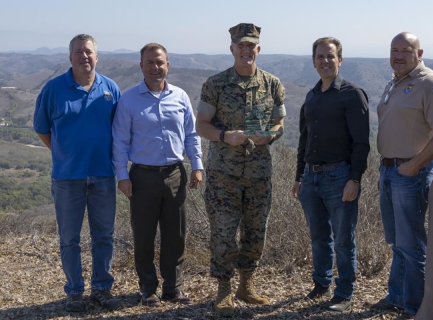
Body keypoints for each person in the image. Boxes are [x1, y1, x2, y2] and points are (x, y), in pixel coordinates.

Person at [195, 23, 286, 316]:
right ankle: (223, 289)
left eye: (251, 46)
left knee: (255, 232)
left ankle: (246, 285)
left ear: (258, 49)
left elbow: (279, 124)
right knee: (223, 233)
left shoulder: (272, 84)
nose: (246, 51)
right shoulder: (215, 84)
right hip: (224, 175)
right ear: (232, 49)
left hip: (259, 174)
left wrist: (270, 136)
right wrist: (224, 136)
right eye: (241, 46)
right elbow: (201, 126)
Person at [371, 32, 433, 319]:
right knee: (398, 242)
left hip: (410, 172)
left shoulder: (429, 83)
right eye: (394, 50)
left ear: (419, 54)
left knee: (412, 244)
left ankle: (417, 307)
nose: (398, 56)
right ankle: (397, 296)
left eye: (405, 50)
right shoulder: (395, 82)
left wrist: (415, 164)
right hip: (389, 170)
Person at [33, 34, 121, 312]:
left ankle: (102, 289)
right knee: (69, 239)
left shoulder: (110, 88)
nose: (85, 56)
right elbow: (42, 129)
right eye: (79, 52)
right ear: (70, 57)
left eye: (89, 52)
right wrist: (64, 153)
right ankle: (74, 292)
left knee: (104, 236)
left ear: (97, 56)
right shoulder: (54, 89)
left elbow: (119, 131)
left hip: (103, 175)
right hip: (67, 177)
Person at [112, 43, 203, 307]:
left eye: (160, 62)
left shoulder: (180, 96)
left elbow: (191, 134)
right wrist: (122, 176)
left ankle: (173, 288)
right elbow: (119, 141)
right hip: (142, 176)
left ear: (168, 65)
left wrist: (197, 165)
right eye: (150, 62)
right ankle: (148, 288)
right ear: (141, 66)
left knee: (176, 235)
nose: (155, 67)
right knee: (144, 235)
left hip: (176, 174)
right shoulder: (129, 100)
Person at [291, 37, 370, 312]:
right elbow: (305, 139)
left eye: (330, 56)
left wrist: (355, 179)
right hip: (311, 178)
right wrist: (299, 176)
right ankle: (321, 282)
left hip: (340, 176)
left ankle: (344, 292)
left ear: (340, 59)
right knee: (318, 235)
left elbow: (361, 142)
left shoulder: (352, 94)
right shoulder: (312, 95)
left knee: (343, 237)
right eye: (320, 56)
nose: (325, 61)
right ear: (313, 61)